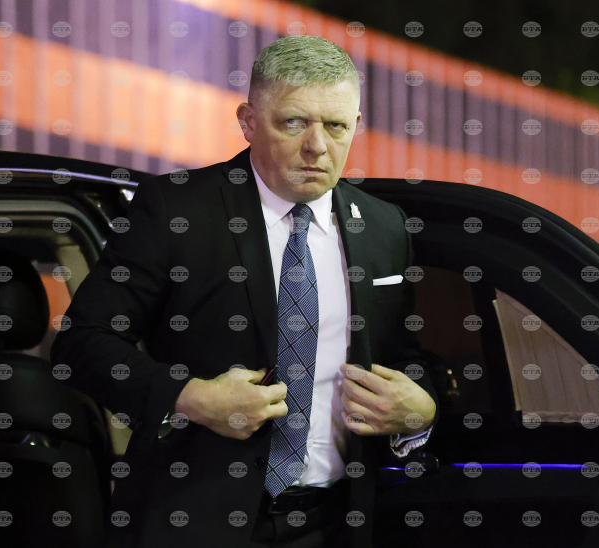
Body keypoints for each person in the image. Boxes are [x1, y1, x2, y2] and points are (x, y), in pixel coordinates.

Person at [50, 35, 438, 548]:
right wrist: (190, 398)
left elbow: (400, 357)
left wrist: (421, 412)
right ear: (249, 121)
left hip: (336, 523)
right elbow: (82, 344)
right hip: (194, 520)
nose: (317, 146)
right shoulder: (177, 209)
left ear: (356, 125)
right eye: (293, 122)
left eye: (336, 125)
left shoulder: (385, 227)